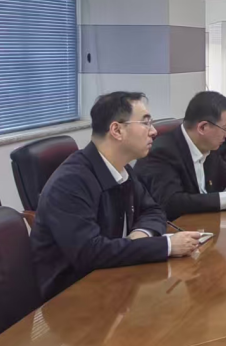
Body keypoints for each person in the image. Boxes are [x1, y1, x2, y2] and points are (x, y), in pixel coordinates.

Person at [31, 92, 204, 300]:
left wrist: (141, 236)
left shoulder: (122, 169)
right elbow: (90, 253)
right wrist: (166, 246)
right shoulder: (70, 183)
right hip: (73, 298)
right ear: (117, 130)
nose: (154, 131)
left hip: (116, 282)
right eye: (145, 123)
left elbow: (153, 210)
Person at [136, 90, 226, 220]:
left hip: (205, 222)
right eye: (225, 127)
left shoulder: (208, 145)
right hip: (177, 227)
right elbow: (172, 203)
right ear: (202, 128)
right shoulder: (162, 152)